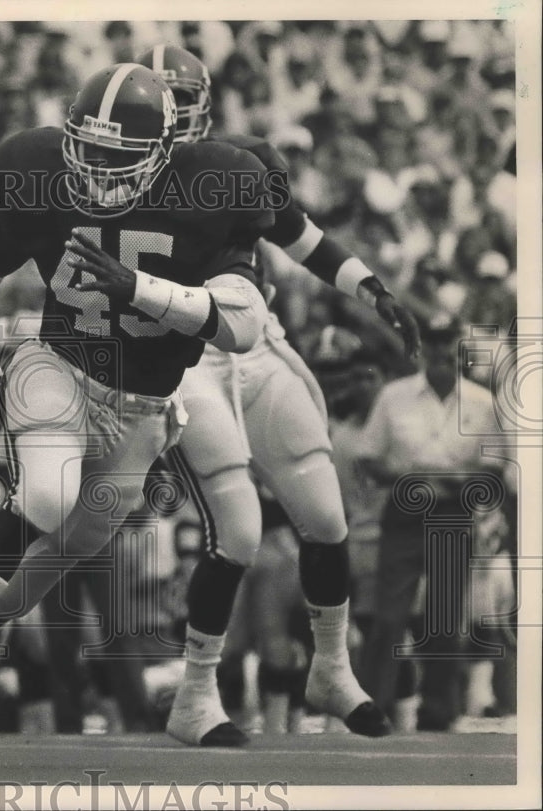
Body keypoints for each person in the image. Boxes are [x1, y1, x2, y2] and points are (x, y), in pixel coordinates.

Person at [0, 63, 274, 738]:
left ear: (164, 152)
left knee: (70, 547)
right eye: (87, 151)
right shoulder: (38, 171)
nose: (98, 170)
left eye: (118, 157)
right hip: (56, 366)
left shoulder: (213, 186)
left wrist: (136, 288)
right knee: (49, 497)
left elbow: (243, 323)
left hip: (144, 404)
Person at [134, 44, 423, 745]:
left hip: (254, 344)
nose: (171, 123)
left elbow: (298, 234)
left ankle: (332, 666)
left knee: (325, 514)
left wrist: (370, 287)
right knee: (239, 530)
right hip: (183, 358)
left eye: (180, 105)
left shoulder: (238, 162)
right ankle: (196, 694)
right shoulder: (109, 179)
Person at [355, 313, 507, 730]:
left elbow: (495, 470)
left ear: (460, 349)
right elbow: (369, 458)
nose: (441, 350)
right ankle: (373, 708)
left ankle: (439, 712)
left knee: (443, 620)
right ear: (422, 348)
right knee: (388, 616)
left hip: (454, 512)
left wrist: (454, 481)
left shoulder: (482, 402)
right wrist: (412, 479)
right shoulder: (394, 396)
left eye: (448, 341)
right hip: (405, 510)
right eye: (433, 341)